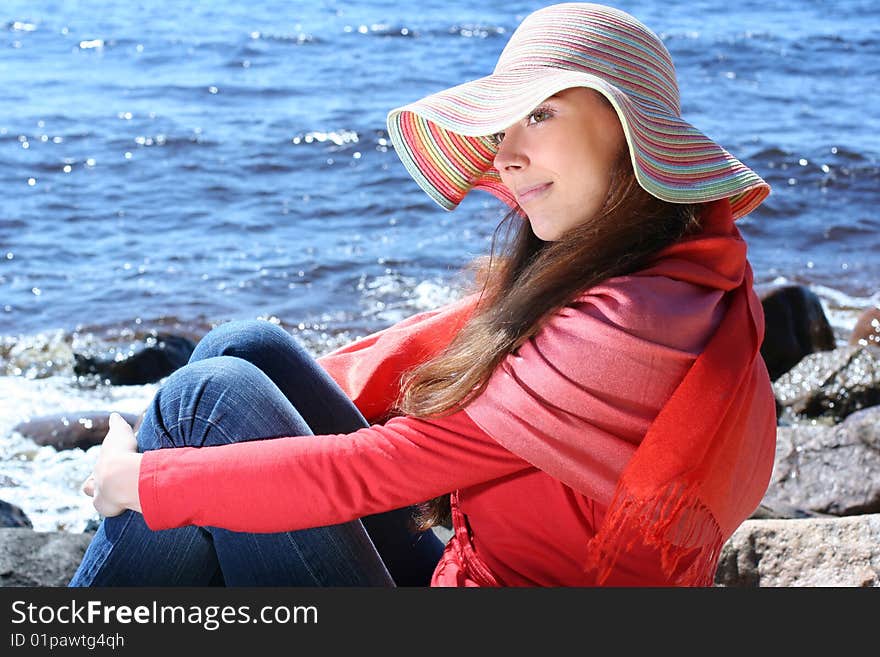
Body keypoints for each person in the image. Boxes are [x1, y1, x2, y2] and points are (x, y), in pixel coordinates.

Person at [70, 2, 777, 588]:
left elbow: (376, 471)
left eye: (538, 114)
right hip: (465, 569)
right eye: (504, 128)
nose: (504, 156)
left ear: (630, 129)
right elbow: (438, 351)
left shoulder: (630, 325)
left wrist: (141, 481)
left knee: (208, 401)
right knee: (245, 348)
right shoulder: (678, 275)